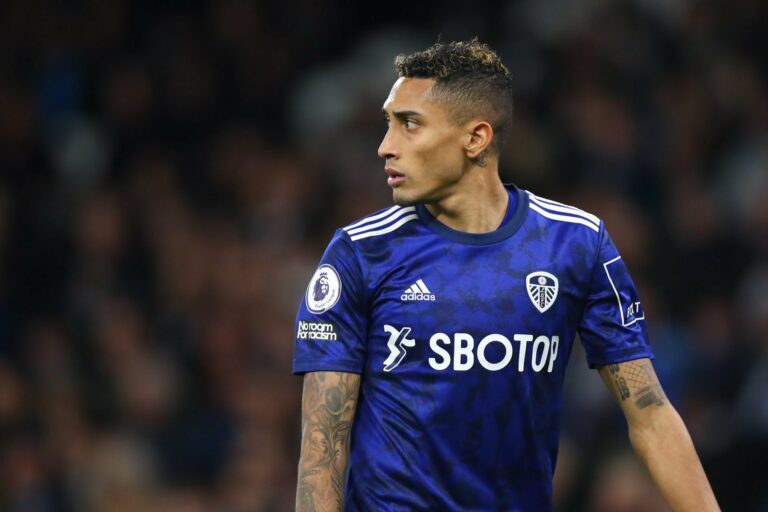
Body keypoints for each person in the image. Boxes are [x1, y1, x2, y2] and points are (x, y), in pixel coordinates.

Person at [292, 39, 719, 511]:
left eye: (409, 124)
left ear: (476, 138)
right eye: (388, 123)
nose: (385, 147)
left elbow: (650, 414)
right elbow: (323, 445)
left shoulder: (575, 244)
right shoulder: (361, 253)